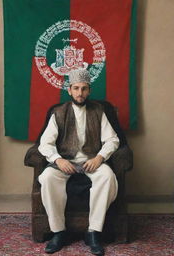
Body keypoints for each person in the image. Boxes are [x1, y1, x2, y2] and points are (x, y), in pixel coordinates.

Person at [38, 69, 119, 255]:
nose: (80, 93)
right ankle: (58, 232)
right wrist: (58, 160)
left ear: (89, 90)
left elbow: (113, 140)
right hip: (66, 162)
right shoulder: (58, 112)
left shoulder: (99, 111)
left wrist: (99, 158)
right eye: (76, 88)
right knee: (48, 177)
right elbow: (45, 144)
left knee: (107, 176)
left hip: (92, 162)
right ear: (69, 90)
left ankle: (93, 232)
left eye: (83, 89)